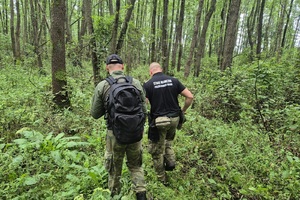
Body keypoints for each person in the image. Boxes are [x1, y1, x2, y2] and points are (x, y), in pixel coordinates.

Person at [91, 54, 147, 200]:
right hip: (135, 132)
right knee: (136, 166)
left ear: (106, 68)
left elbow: (95, 114)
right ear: (122, 66)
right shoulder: (135, 83)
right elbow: (144, 109)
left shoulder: (103, 85)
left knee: (115, 169)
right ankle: (141, 193)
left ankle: (115, 195)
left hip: (114, 134)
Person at [143, 62, 194, 185]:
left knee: (156, 151)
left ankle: (162, 179)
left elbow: (144, 103)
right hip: (175, 119)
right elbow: (190, 97)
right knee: (168, 142)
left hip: (159, 122)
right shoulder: (174, 80)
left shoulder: (148, 85)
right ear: (161, 69)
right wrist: (183, 111)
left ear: (150, 72)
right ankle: (170, 162)